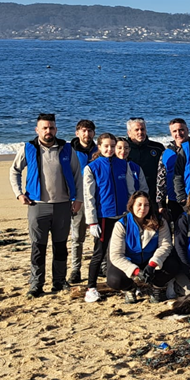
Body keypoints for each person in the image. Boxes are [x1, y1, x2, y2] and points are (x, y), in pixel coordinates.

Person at [9, 113, 83, 297]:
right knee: (38, 247)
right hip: (37, 205)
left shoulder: (66, 149)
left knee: (60, 246)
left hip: (63, 205)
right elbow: (14, 171)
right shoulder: (28, 148)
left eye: (51, 128)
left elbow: (77, 175)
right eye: (44, 128)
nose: (48, 131)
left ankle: (59, 281)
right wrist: (18, 193)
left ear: (56, 129)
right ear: (37, 130)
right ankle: (36, 284)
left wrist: (78, 199)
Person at [82, 133, 139, 303]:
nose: (110, 149)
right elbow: (89, 197)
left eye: (112, 146)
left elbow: (131, 192)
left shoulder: (124, 165)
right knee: (99, 253)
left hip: (123, 216)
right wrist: (92, 221)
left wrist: (132, 215)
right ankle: (91, 288)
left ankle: (128, 285)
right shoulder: (92, 168)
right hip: (103, 217)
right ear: (99, 147)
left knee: (125, 252)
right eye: (106, 146)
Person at [107, 191, 177, 303]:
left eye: (146, 205)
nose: (142, 208)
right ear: (132, 206)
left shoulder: (159, 221)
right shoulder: (122, 224)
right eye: (139, 204)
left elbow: (165, 245)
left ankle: (156, 288)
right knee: (114, 279)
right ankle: (130, 288)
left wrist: (153, 264)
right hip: (130, 261)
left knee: (173, 265)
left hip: (151, 261)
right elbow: (116, 255)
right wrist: (135, 271)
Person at [68, 119, 96, 285]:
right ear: (77, 133)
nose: (87, 134)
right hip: (77, 199)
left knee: (98, 236)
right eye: (83, 131)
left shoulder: (100, 149)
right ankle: (75, 269)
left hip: (97, 200)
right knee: (77, 237)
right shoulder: (69, 150)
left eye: (90, 131)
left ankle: (101, 266)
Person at [123, 117, 165, 200]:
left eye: (142, 129)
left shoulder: (157, 148)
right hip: (129, 193)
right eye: (136, 130)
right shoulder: (122, 149)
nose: (140, 132)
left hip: (153, 194)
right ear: (129, 133)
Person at [160, 118, 189, 225]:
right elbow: (161, 180)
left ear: (187, 130)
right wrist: (161, 205)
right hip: (174, 200)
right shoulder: (166, 153)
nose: (178, 133)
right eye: (174, 131)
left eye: (181, 130)